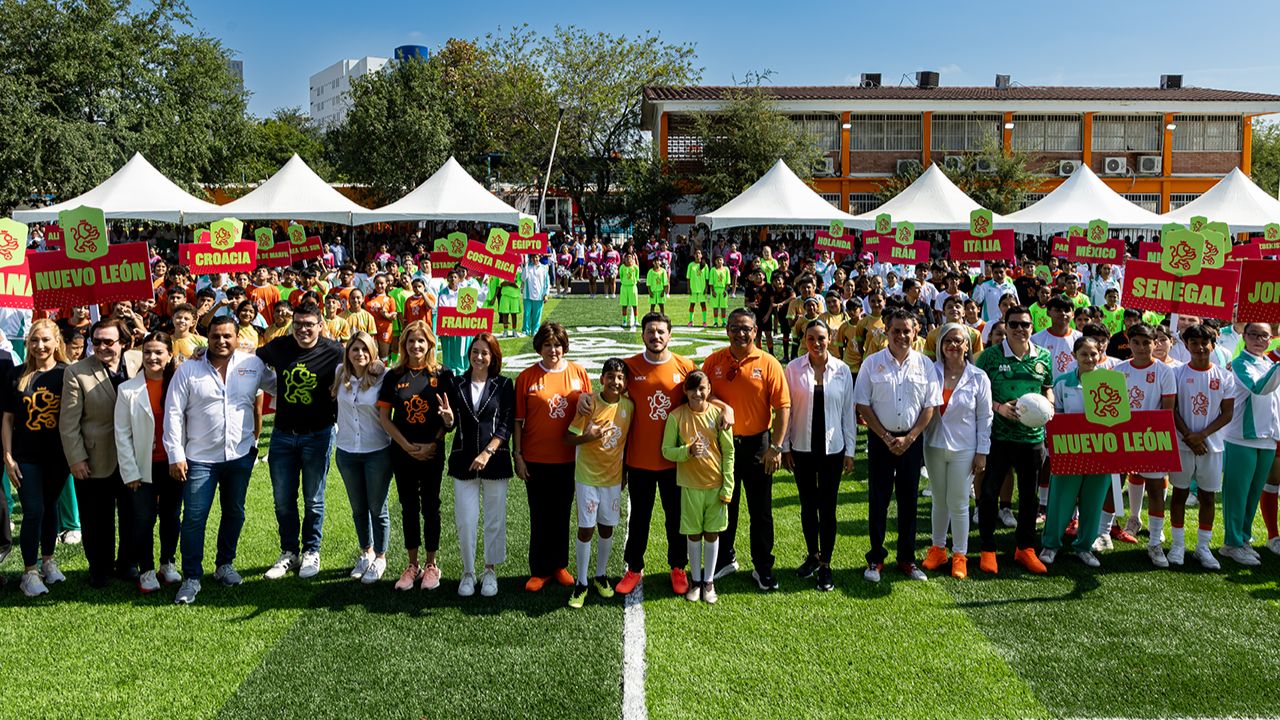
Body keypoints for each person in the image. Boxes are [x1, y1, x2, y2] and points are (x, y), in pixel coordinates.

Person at [165, 315, 273, 604]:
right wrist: (175, 454)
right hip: (199, 458)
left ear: (238, 337)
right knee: (194, 518)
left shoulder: (253, 365)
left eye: (227, 336)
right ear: (207, 338)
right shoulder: (189, 369)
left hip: (239, 455)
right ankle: (191, 577)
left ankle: (225, 565)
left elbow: (280, 385)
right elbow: (173, 412)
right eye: (215, 336)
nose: (221, 341)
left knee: (234, 512)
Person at [607, 313, 699, 597]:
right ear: (643, 334)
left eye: (660, 331)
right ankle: (634, 567)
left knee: (676, 518)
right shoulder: (630, 366)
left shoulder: (685, 366)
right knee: (639, 518)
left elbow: (701, 402)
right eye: (650, 331)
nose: (655, 336)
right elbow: (609, 396)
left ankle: (678, 567)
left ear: (670, 335)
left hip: (675, 461)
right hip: (639, 460)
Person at [702, 309, 790, 591]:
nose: (740, 334)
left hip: (758, 445)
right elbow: (701, 393)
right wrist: (722, 406)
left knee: (760, 510)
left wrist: (776, 447)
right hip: (723, 444)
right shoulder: (714, 361)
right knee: (724, 504)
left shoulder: (768, 363)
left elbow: (783, 407)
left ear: (755, 331)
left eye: (746, 329)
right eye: (735, 328)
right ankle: (724, 559)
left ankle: (763, 566)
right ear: (727, 330)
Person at [257, 302, 344, 581]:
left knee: (313, 499)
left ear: (320, 325)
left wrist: (377, 364)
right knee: (283, 500)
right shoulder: (279, 346)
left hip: (318, 435)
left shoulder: (334, 351)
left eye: (309, 324)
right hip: (282, 435)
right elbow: (250, 359)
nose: (303, 329)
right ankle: (289, 552)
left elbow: (361, 362)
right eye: (298, 324)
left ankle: (311, 550)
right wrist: (204, 354)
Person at [853, 309, 940, 583]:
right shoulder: (871, 363)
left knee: (908, 501)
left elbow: (930, 406)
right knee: (878, 500)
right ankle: (876, 558)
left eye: (907, 331)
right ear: (886, 332)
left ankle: (907, 559)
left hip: (911, 442)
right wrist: (885, 436)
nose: (902, 336)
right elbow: (862, 404)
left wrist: (910, 438)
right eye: (896, 331)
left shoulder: (925, 364)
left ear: (916, 332)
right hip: (881, 441)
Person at [61, 318, 143, 588]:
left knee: (133, 512)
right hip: (95, 457)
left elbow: (171, 359)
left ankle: (129, 563)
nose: (102, 347)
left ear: (123, 342)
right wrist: (76, 458)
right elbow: (69, 423)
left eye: (109, 341)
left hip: (133, 455)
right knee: (96, 517)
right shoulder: (77, 372)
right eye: (96, 342)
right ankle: (99, 567)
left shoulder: (138, 361)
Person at [974, 305, 1052, 576]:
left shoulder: (1044, 356)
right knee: (989, 493)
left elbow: (1048, 388)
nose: (1020, 329)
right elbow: (976, 393)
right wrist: (999, 407)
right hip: (998, 436)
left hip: (1032, 439)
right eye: (1014, 324)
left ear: (1032, 327)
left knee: (1029, 497)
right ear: (1005, 326)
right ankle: (987, 549)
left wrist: (1049, 405)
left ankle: (1025, 548)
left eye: (1025, 324)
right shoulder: (989, 357)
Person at [514, 322, 592, 591]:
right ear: (539, 347)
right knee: (539, 514)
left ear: (564, 346)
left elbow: (590, 412)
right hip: (535, 458)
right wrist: (518, 455)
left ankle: (559, 565)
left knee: (562, 512)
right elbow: (518, 421)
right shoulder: (527, 377)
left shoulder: (578, 372)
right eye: (547, 344)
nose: (553, 350)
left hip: (569, 458)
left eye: (557, 344)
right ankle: (540, 570)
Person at [377, 321, 452, 591]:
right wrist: (406, 445)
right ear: (404, 345)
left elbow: (449, 418)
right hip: (402, 453)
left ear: (430, 343)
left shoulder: (443, 374)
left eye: (421, 341)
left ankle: (432, 564)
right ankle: (412, 565)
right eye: (411, 341)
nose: (416, 346)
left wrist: (434, 442)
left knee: (431, 506)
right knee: (408, 506)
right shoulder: (394, 376)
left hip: (433, 452)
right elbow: (385, 418)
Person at [782, 319, 857, 591]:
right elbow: (787, 409)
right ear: (804, 340)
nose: (816, 343)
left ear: (830, 339)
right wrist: (785, 447)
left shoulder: (842, 370)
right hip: (802, 448)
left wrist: (850, 450)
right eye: (811, 338)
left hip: (832, 449)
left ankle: (826, 563)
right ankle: (812, 555)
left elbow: (848, 412)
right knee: (807, 505)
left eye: (821, 338)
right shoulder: (793, 369)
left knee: (827, 507)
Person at [441, 332, 514, 598]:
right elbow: (450, 424)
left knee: (494, 519)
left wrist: (488, 452)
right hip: (463, 462)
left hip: (495, 462)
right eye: (475, 351)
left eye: (485, 352)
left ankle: (490, 570)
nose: (479, 357)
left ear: (493, 357)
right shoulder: (456, 383)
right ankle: (468, 572)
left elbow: (506, 424)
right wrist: (448, 419)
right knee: (465, 519)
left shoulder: (504, 384)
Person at [113, 332, 184, 594]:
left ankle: (167, 563)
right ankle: (146, 569)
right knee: (143, 518)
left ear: (169, 355)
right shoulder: (127, 389)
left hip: (173, 464)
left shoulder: (179, 384)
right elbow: (122, 434)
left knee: (171, 516)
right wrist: (130, 471)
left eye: (158, 352)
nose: (152, 357)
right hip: (142, 467)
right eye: (147, 352)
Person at [921, 323, 991, 580]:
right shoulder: (931, 371)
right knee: (939, 500)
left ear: (967, 345)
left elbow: (985, 416)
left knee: (959, 502)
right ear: (940, 345)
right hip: (934, 445)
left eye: (958, 341)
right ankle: (938, 549)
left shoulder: (978, 377)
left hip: (965, 448)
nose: (952, 345)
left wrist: (982, 451)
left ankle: (960, 554)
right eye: (947, 341)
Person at [5, 320, 69, 597]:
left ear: (56, 342)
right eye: (34, 340)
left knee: (50, 507)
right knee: (33, 511)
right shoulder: (16, 374)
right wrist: (8, 457)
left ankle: (48, 561)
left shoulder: (67, 373)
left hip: (58, 457)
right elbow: (7, 420)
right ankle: (29, 572)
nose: (39, 346)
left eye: (45, 340)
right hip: (25, 456)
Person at [564, 358, 633, 608]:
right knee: (586, 529)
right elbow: (569, 438)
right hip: (587, 478)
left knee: (607, 528)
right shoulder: (590, 403)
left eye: (620, 378)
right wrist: (588, 436)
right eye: (611, 376)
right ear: (602, 379)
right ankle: (581, 581)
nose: (615, 381)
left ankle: (600, 575)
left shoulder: (629, 407)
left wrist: (625, 473)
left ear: (625, 383)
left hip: (612, 480)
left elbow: (628, 442)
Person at [661, 370, 734, 604]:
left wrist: (728, 485)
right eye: (692, 389)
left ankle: (708, 582)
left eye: (702, 388)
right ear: (685, 391)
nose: (698, 393)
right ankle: (695, 581)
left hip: (715, 485)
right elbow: (666, 451)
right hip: (689, 486)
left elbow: (729, 452)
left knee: (712, 533)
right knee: (693, 534)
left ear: (709, 389)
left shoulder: (719, 415)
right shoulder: (676, 417)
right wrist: (687, 451)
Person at [1039, 336, 1110, 569]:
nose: (1089, 358)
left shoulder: (1110, 381)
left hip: (1101, 452)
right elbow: (1055, 418)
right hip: (1069, 451)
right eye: (1084, 354)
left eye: (1093, 354)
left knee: (1093, 502)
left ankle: (1084, 546)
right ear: (1074, 356)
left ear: (1100, 354)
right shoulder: (1062, 383)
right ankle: (1051, 544)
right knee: (1061, 500)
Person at [1167, 324, 1234, 570]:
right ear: (1186, 346)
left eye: (1204, 342)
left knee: (1207, 496)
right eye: (1194, 343)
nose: (1199, 347)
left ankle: (1203, 548)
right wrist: (1188, 436)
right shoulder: (1176, 373)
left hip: (1211, 446)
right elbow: (1171, 409)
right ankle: (1178, 545)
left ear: (1213, 345)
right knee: (1179, 494)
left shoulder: (1224, 376)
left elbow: (1227, 414)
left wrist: (1201, 436)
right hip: (1183, 444)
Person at [332, 331, 394, 584]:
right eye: (355, 349)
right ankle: (365, 552)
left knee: (377, 508)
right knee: (358, 508)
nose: (360, 354)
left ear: (373, 352)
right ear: (347, 352)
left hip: (377, 451)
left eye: (365, 349)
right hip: (347, 451)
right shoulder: (340, 373)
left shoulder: (384, 376)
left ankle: (380, 556)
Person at [1114, 324, 1177, 567]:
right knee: (1115, 482)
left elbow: (1168, 410)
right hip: (1124, 438)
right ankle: (1106, 531)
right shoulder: (1119, 370)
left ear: (1155, 343)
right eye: (1136, 343)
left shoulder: (1164, 371)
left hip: (1152, 437)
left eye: (1146, 343)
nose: (1141, 348)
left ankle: (1155, 541)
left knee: (1155, 488)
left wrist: (1148, 432)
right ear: (1129, 343)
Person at [1219, 323, 1280, 566]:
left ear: (1271, 339)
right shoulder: (1240, 364)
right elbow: (1259, 388)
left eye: (1264, 336)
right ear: (1244, 336)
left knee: (1253, 494)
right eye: (1253, 334)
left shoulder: (1267, 363)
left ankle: (1243, 539)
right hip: (1241, 438)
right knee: (1237, 493)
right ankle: (1231, 543)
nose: (1258, 339)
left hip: (1268, 438)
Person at [522, 255, 551, 336]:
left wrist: (546, 294)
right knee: (527, 314)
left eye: (537, 257)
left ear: (539, 258)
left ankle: (535, 330)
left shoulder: (544, 268)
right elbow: (523, 278)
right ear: (531, 259)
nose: (535, 259)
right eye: (534, 257)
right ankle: (526, 331)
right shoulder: (528, 267)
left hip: (539, 296)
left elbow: (547, 283)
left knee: (537, 315)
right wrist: (526, 266)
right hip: (527, 295)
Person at [686, 249, 708, 327]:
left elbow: (706, 278)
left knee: (703, 305)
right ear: (694, 255)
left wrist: (706, 288)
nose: (697, 255)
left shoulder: (705, 265)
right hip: (693, 288)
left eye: (699, 253)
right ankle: (691, 321)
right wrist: (688, 288)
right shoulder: (691, 265)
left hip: (702, 289)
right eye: (696, 253)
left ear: (701, 255)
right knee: (692, 304)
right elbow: (688, 278)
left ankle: (704, 321)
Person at [707, 256, 730, 328]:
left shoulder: (726, 269)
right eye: (717, 260)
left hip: (723, 290)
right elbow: (711, 282)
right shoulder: (713, 270)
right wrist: (712, 291)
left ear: (723, 261)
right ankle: (715, 322)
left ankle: (724, 322)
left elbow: (728, 281)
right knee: (715, 307)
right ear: (715, 262)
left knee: (723, 307)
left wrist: (726, 290)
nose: (719, 261)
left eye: (720, 260)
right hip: (715, 289)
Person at [619, 253, 640, 330]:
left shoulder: (635, 267)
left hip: (632, 287)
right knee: (624, 304)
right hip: (624, 287)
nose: (628, 259)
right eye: (627, 258)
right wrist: (624, 282)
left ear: (633, 259)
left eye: (630, 257)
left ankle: (636, 320)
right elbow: (621, 276)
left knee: (635, 304)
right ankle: (624, 321)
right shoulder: (622, 267)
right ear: (624, 259)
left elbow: (637, 276)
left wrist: (634, 281)